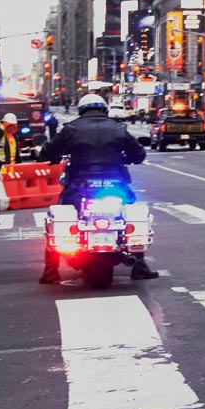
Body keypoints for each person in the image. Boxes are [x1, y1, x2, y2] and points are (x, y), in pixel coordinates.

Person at [39, 94, 156, 283]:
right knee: (131, 214)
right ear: (104, 110)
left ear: (82, 109)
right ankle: (140, 265)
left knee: (59, 216)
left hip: (80, 186)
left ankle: (51, 270)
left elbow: (48, 151)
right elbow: (139, 154)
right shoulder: (119, 128)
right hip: (116, 184)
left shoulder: (71, 128)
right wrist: (128, 158)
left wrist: (50, 155)